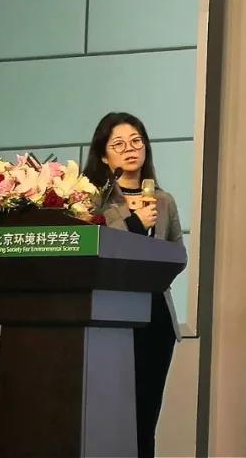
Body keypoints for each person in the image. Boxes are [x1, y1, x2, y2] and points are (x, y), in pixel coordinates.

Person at [83, 112, 183, 458]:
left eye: (136, 141)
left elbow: (177, 255)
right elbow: (101, 254)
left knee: (145, 417)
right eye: (119, 144)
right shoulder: (95, 203)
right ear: (103, 156)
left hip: (155, 318)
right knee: (109, 415)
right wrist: (136, 223)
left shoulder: (164, 201)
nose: (130, 149)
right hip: (109, 317)